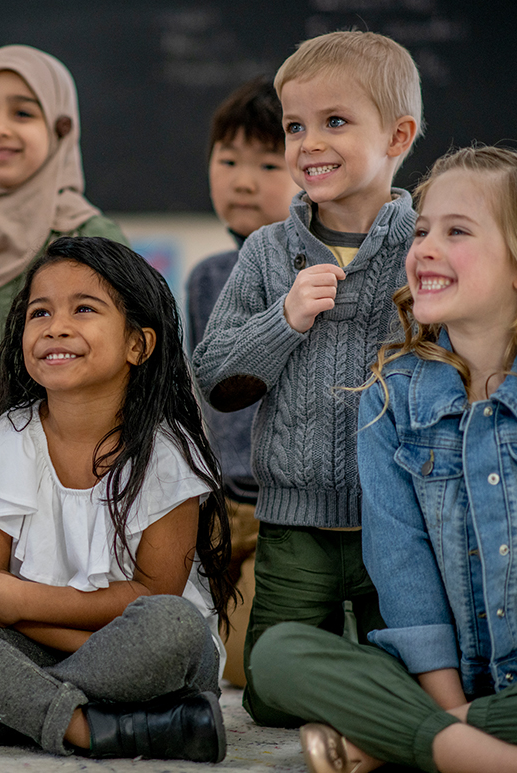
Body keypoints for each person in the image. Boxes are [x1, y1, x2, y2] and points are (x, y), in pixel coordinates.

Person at [250, 146, 517, 773]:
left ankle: (418, 742)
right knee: (278, 656)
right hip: (430, 675)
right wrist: (445, 697)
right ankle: (497, 754)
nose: (423, 247)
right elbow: (401, 567)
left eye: (457, 231)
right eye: (421, 229)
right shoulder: (387, 398)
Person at [0, 236, 237, 761]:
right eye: (40, 312)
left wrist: (24, 603)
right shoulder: (2, 445)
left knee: (173, 628)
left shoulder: (167, 455)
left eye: (84, 308)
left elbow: (151, 598)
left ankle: (1, 711)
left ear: (138, 345)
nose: (56, 326)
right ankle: (93, 728)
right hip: (31, 647)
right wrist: (10, 611)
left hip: (137, 655)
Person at [192, 30, 422, 725]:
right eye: (296, 126)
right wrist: (283, 321)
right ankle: (364, 694)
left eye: (334, 122)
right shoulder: (267, 252)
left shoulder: (426, 245)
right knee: (267, 694)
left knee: (420, 671)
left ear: (397, 135)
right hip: (292, 521)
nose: (307, 142)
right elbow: (214, 377)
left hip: (404, 521)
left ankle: (370, 699)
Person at [0, 44, 127, 478]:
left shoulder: (89, 236)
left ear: (61, 129)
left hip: (59, 476)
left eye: (23, 114)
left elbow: (124, 361)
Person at [183, 75, 299, 686]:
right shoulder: (207, 277)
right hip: (221, 508)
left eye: (268, 164)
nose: (243, 180)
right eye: (228, 160)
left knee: (245, 671)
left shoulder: (311, 276)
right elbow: (205, 400)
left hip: (289, 510)